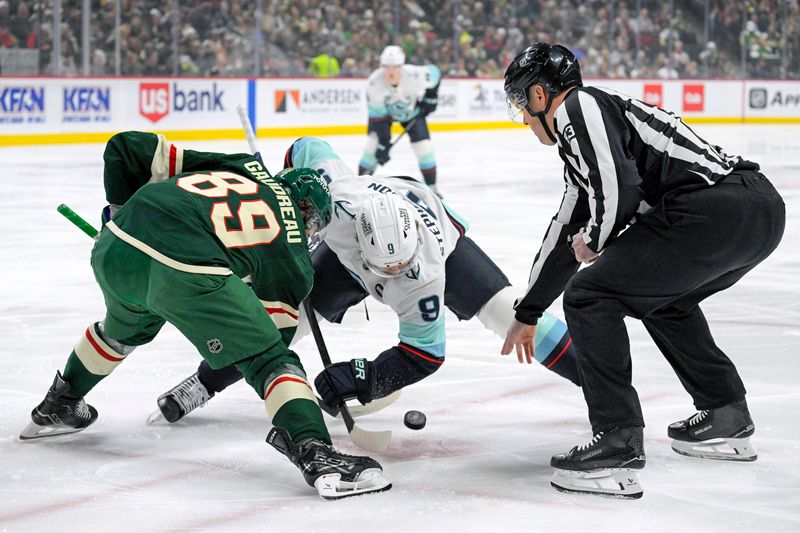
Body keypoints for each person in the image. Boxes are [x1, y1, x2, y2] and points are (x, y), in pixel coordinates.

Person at [19, 131, 391, 500]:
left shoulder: (244, 166)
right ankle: (317, 455)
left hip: (116, 248)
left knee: (123, 331)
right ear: (308, 215)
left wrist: (117, 215)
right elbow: (266, 345)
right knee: (274, 361)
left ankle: (61, 402)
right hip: (187, 270)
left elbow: (125, 148)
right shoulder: (294, 256)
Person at [501, 43, 785, 499]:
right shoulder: (583, 145)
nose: (523, 118)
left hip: (714, 209)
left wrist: (594, 238)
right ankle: (725, 414)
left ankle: (617, 439)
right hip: (756, 213)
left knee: (589, 295)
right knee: (664, 300)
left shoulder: (580, 105)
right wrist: (529, 310)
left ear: (538, 96)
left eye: (521, 104)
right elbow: (562, 235)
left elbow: (621, 189)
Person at [154, 136, 581, 424]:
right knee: (282, 323)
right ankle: (204, 383)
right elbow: (305, 147)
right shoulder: (337, 196)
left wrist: (367, 377)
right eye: (385, 270)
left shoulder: (423, 276)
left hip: (445, 245)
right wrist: (288, 203)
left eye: (398, 270)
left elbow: (425, 355)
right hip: (347, 258)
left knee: (513, 316)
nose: (392, 278)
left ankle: (599, 383)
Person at [358, 45, 442, 196]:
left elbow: (435, 73)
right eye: (386, 67)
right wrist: (383, 144)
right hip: (384, 117)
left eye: (395, 67)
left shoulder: (416, 74)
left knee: (424, 148)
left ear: (401, 65)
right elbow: (379, 119)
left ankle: (432, 188)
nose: (391, 71)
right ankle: (359, 187)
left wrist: (431, 98)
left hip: (412, 114)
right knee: (372, 147)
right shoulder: (373, 84)